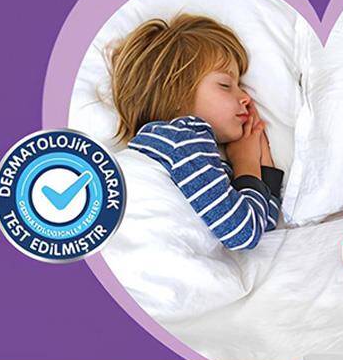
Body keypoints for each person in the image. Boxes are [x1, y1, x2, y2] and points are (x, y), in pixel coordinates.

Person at [111, 14, 284, 252]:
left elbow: (261, 225)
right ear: (175, 93)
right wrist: (246, 163)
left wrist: (261, 163)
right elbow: (243, 234)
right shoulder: (181, 140)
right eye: (225, 85)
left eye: (240, 86)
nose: (246, 97)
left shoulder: (195, 158)